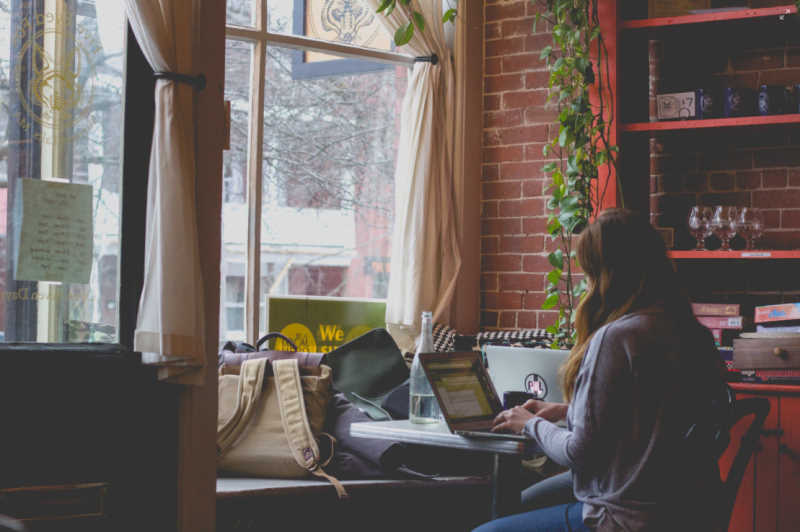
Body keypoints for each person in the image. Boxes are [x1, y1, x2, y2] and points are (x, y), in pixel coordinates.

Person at [473, 208, 731, 532]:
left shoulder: (618, 337)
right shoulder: (691, 332)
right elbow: (651, 417)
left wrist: (529, 424)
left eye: (589, 272)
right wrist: (565, 411)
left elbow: (579, 452)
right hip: (686, 510)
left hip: (626, 516)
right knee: (517, 504)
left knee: (486, 529)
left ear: (606, 274)